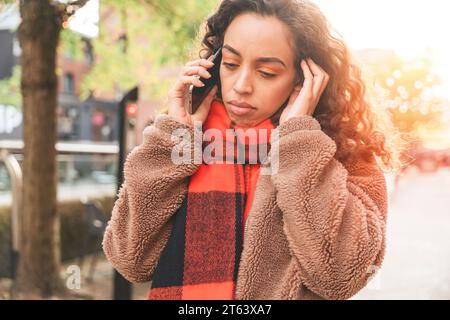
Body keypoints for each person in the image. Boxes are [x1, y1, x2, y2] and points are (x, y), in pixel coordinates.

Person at [103, 0, 404, 300]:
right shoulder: (184, 140)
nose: (241, 85)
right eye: (231, 64)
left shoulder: (344, 155)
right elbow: (130, 259)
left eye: (267, 72)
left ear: (304, 79)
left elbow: (339, 277)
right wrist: (173, 137)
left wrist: (298, 143)